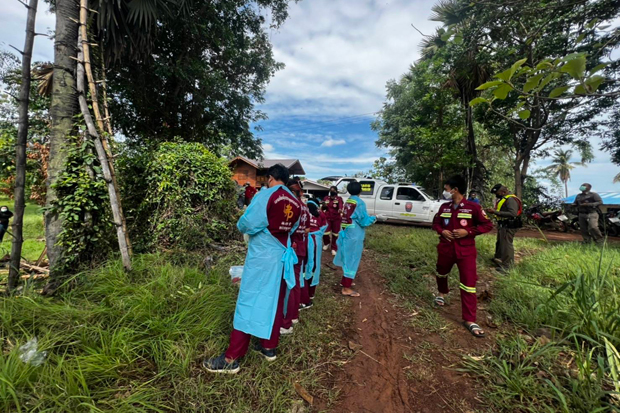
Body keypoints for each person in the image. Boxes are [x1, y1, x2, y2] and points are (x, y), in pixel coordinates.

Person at [203, 164, 301, 374]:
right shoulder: (296, 201)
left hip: (263, 258)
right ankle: (268, 346)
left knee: (249, 301)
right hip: (281, 258)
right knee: (274, 299)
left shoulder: (266, 196)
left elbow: (247, 223)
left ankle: (232, 359)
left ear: (271, 178)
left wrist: (244, 227)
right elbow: (292, 229)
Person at [433, 175, 493, 338]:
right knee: (441, 272)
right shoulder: (444, 207)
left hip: (465, 251)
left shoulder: (473, 207)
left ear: (455, 190)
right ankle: (441, 293)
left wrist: (468, 231)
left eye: (446, 189)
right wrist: (442, 231)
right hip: (445, 249)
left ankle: (469, 319)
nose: (445, 192)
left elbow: (487, 225)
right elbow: (436, 224)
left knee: (468, 283)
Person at [333, 182, 376, 297]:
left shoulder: (348, 201)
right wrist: (374, 218)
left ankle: (345, 281)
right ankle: (346, 288)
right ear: (360, 191)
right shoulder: (359, 202)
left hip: (347, 233)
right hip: (355, 234)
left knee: (348, 257)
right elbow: (363, 220)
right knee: (352, 259)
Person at [281, 179, 310, 335]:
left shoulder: (291, 206)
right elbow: (307, 229)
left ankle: (285, 323)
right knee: (296, 283)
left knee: (288, 285)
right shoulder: (304, 207)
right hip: (300, 248)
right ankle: (293, 316)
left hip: (290, 250)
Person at [486, 184, 522, 272]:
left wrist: (495, 212)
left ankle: (507, 267)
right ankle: (498, 258)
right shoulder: (504, 199)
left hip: (509, 225)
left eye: (497, 193)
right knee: (500, 242)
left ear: (504, 192)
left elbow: (513, 213)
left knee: (506, 245)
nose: (496, 195)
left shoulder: (511, 199)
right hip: (503, 225)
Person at [300, 198, 328, 309]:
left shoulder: (303, 212)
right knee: (314, 266)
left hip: (304, 240)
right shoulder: (320, 214)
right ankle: (310, 294)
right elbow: (324, 227)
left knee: (303, 266)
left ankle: (303, 293)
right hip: (315, 241)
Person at [322, 186, 344, 256]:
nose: (332, 191)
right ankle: (326, 243)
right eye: (331, 190)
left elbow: (340, 206)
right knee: (325, 232)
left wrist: (340, 209)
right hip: (327, 217)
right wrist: (323, 205)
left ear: (336, 191)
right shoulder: (326, 198)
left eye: (334, 190)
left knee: (335, 234)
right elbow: (323, 207)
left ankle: (333, 248)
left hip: (336, 218)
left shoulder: (339, 199)